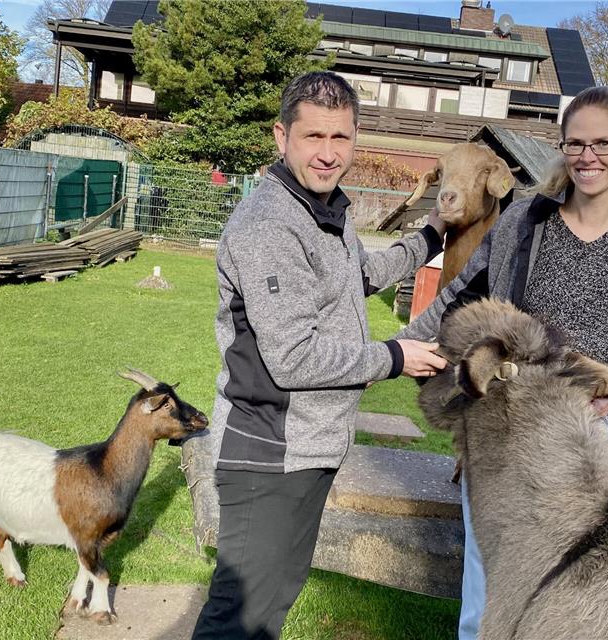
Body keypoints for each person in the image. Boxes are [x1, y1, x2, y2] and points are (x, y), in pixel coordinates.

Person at [396, 85, 608, 639]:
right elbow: (459, 297)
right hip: (508, 436)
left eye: (604, 144)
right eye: (575, 143)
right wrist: (391, 350)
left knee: (586, 608)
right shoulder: (523, 224)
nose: (588, 156)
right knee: (485, 601)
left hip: (602, 447)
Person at [191, 71, 449, 640]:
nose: (329, 155)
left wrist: (431, 237)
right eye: (314, 138)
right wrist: (395, 357)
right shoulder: (271, 224)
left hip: (309, 445)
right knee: (238, 617)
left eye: (341, 139)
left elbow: (359, 275)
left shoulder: (323, 211)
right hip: (268, 451)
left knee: (274, 598)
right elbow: (293, 359)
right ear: (281, 138)